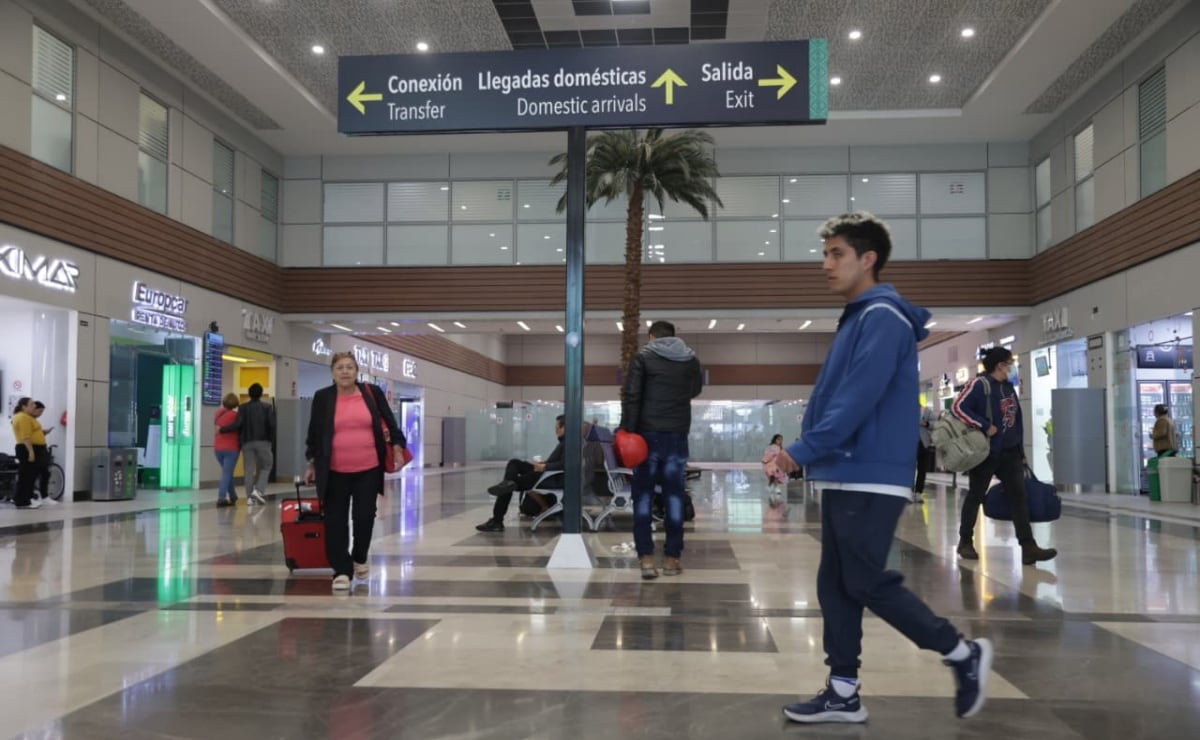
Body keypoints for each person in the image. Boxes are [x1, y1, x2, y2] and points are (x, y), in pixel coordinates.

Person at [773, 212, 993, 724]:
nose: (826, 264)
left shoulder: (882, 318)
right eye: (825, 254)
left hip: (868, 472)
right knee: (836, 583)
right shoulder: (860, 317)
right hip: (846, 469)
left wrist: (802, 450)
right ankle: (843, 691)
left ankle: (961, 652)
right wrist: (812, 453)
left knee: (864, 579)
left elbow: (857, 399)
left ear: (867, 259)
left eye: (837, 254)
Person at [304, 352, 406, 592]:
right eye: (340, 367)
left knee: (364, 516)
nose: (345, 371)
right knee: (335, 520)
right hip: (333, 470)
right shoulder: (323, 397)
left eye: (349, 367)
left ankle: (360, 556)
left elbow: (390, 422)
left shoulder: (371, 393)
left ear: (356, 371)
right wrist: (311, 462)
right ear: (332, 373)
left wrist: (398, 447)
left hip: (368, 468)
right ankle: (341, 570)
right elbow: (315, 432)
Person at [951, 347, 1057, 565]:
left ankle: (1028, 547)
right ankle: (965, 541)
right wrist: (984, 425)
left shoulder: (1008, 387)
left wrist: (1021, 452)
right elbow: (958, 407)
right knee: (975, 496)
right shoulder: (979, 385)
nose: (1012, 367)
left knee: (1019, 497)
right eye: (1010, 363)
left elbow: (1016, 420)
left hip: (1010, 453)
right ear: (1000, 365)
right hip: (986, 452)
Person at [620, 320, 703, 580]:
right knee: (674, 496)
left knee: (643, 496)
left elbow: (632, 395)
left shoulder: (643, 358)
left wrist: (627, 430)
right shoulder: (690, 360)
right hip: (677, 434)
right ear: (674, 337)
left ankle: (646, 558)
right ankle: (672, 559)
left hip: (646, 436)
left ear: (651, 336)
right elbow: (695, 389)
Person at [475, 415, 567, 532]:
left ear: (565, 427)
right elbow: (560, 462)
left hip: (546, 477)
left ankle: (497, 520)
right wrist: (544, 463)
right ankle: (508, 483)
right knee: (514, 463)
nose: (555, 430)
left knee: (508, 486)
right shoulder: (565, 442)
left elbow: (566, 464)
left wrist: (545, 466)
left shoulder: (569, 443)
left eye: (557, 427)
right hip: (545, 472)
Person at [220, 382, 275, 505]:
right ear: (261, 394)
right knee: (267, 465)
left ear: (249, 394)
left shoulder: (243, 408)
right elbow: (272, 425)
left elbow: (238, 424)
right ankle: (258, 490)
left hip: (247, 442)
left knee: (248, 470)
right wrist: (270, 440)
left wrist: (223, 429)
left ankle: (250, 498)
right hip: (263, 441)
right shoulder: (267, 407)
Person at [9, 398, 45, 510]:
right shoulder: (23, 417)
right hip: (26, 448)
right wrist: (31, 452)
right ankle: (23, 501)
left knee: (29, 475)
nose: (34, 406)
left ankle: (26, 498)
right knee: (26, 476)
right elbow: (26, 437)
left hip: (31, 448)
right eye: (31, 404)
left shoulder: (27, 417)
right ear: (23, 406)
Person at [28, 402, 58, 505]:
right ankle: (30, 496)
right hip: (35, 448)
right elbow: (26, 436)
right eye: (40, 411)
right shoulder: (26, 419)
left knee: (45, 472)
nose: (40, 414)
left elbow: (36, 434)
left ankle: (44, 496)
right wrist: (31, 451)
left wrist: (44, 432)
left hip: (41, 448)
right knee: (32, 474)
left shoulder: (34, 420)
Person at [213, 393, 240, 507]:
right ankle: (221, 497)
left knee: (227, 473)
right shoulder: (236, 415)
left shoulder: (218, 414)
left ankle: (233, 495)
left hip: (218, 448)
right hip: (231, 448)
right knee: (227, 473)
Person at [914, 404, 936, 499]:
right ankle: (908, 491)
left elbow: (935, 423)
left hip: (923, 443)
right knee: (910, 469)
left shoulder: (927, 411)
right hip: (910, 443)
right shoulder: (906, 410)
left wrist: (926, 424)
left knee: (922, 468)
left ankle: (918, 492)